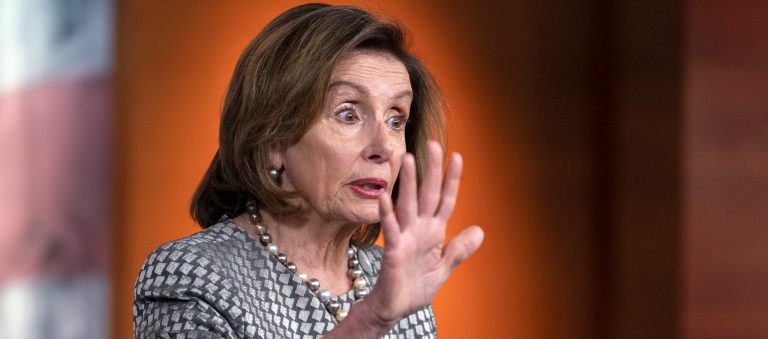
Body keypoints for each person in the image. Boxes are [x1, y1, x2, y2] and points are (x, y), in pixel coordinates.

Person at [133, 3, 484, 338]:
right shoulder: (191, 277)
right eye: (348, 114)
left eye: (396, 120)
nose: (384, 147)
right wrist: (371, 320)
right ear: (272, 140)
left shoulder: (393, 276)